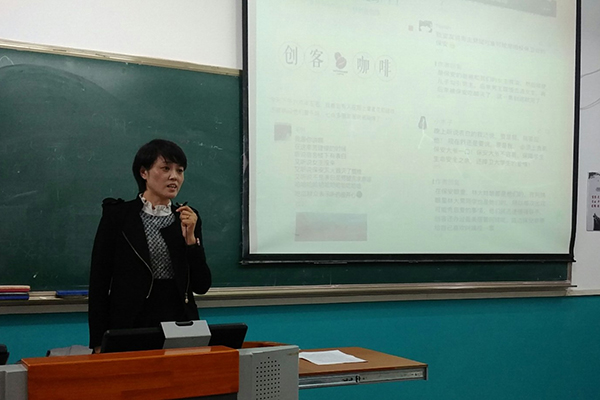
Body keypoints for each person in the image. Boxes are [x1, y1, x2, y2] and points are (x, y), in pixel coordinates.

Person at [88, 139, 211, 352]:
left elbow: (201, 285)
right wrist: (98, 340)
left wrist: (191, 241)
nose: (174, 177)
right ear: (144, 172)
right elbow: (99, 281)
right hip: (130, 323)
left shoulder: (187, 218)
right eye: (166, 168)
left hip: (179, 322)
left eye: (180, 171)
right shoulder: (118, 216)